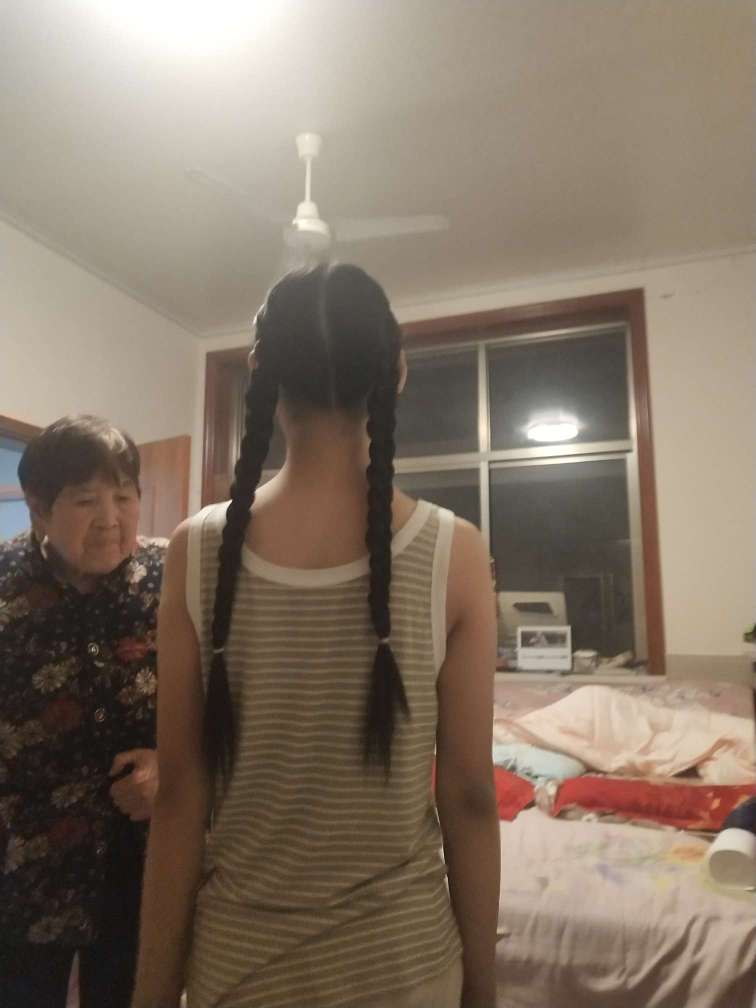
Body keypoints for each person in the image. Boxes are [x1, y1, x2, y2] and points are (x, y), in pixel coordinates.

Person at [132, 264, 500, 1008]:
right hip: (408, 970)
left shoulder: (194, 551)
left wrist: (151, 995)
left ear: (260, 371)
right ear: (396, 372)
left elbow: (178, 801)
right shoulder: (454, 553)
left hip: (239, 973)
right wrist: (484, 990)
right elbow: (468, 797)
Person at [0, 415, 165, 1007]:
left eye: (124, 497)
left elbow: (221, 699)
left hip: (141, 866)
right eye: (86, 500)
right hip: (23, 871)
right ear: (39, 508)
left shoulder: (172, 577)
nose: (111, 519)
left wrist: (170, 766)